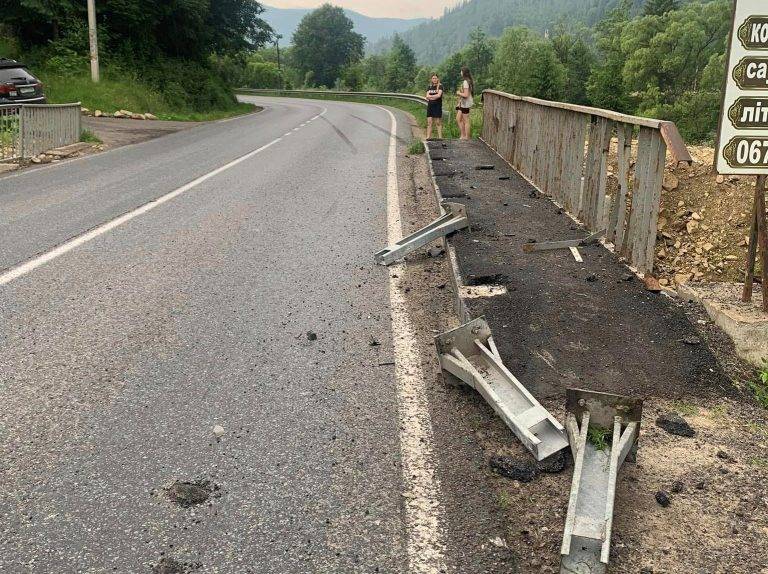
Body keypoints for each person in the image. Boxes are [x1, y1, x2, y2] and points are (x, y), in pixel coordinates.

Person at [455, 67, 474, 140]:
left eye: (461, 71)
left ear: (464, 73)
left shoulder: (466, 82)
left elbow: (466, 95)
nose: (460, 72)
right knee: (458, 118)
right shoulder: (468, 81)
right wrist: (459, 102)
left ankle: (467, 137)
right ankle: (462, 135)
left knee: (466, 120)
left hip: (466, 103)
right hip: (463, 103)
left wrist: (459, 93)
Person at [425, 73, 444, 140]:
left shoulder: (440, 86)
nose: (434, 79)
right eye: (433, 78)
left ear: (438, 79)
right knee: (429, 122)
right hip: (430, 106)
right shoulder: (429, 86)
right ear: (431, 79)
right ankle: (428, 137)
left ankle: (440, 137)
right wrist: (434, 97)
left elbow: (439, 96)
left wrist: (431, 97)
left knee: (438, 122)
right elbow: (427, 96)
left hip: (437, 106)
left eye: (435, 78)